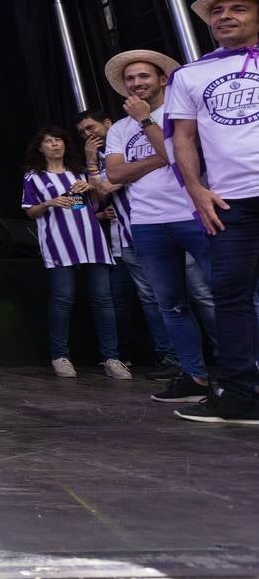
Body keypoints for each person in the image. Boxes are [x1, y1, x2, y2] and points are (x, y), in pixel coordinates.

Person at [166, 0, 259, 424]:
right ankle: (242, 394)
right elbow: (182, 138)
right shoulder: (190, 74)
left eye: (238, 9)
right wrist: (195, 189)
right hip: (229, 202)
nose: (224, 16)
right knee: (231, 296)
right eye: (217, 12)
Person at [103, 49, 215, 406]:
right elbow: (116, 174)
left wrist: (147, 125)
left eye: (143, 77)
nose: (136, 84)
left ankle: (244, 375)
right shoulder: (119, 129)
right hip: (148, 222)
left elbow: (180, 160)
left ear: (163, 79)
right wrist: (158, 155)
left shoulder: (181, 113)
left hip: (193, 214)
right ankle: (195, 376)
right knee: (171, 305)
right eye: (131, 79)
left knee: (223, 298)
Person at [20, 126, 131, 380]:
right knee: (63, 299)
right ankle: (60, 355)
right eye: (48, 141)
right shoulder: (34, 176)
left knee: (103, 300)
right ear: (40, 148)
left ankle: (111, 357)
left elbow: (94, 203)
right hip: (59, 243)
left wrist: (91, 188)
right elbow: (29, 211)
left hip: (92, 241)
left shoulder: (78, 172)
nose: (55, 145)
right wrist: (49, 202)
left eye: (58, 140)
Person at [76, 109, 179, 378]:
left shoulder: (139, 138)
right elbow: (102, 190)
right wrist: (91, 160)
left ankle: (229, 359)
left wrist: (126, 171)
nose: (88, 135)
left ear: (108, 124)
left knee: (202, 294)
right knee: (151, 299)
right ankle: (171, 357)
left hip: (177, 221)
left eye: (90, 128)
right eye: (82, 132)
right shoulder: (99, 161)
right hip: (132, 235)